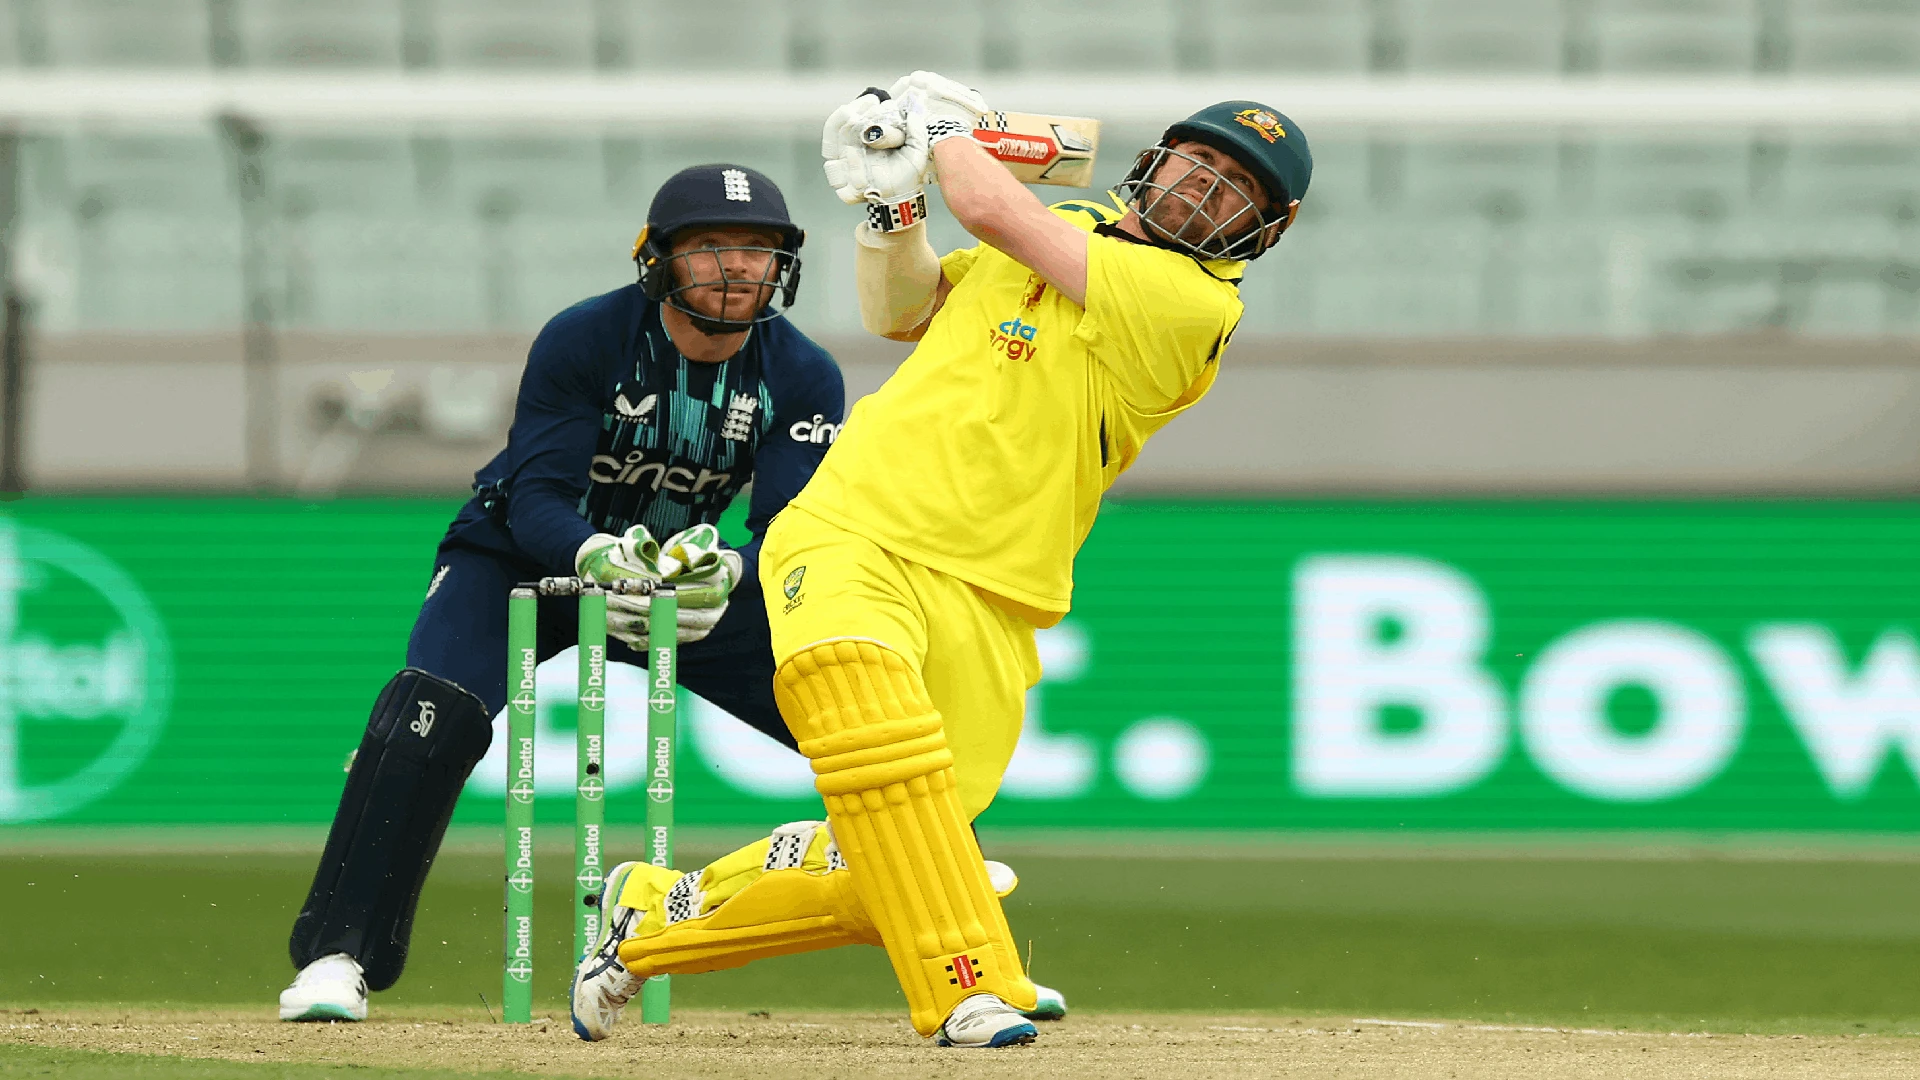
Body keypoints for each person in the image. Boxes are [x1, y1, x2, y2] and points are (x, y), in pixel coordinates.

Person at [566, 73, 1312, 1048]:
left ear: (1264, 227)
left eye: (1233, 188)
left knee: (895, 862)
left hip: (1000, 588)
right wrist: (889, 207)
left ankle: (656, 917)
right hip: (854, 527)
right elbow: (902, 309)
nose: (1202, 188)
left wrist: (943, 131)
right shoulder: (1074, 216)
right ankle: (966, 984)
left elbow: (994, 206)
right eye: (1197, 161)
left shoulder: (1193, 304)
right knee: (876, 746)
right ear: (1156, 158)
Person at [278, 163, 846, 1023]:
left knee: (860, 721)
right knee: (428, 717)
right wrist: (597, 558)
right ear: (656, 261)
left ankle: (961, 948)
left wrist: (725, 571)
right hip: (520, 559)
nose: (738, 268)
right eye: (711, 248)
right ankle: (335, 957)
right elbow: (539, 497)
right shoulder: (588, 338)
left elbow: (788, 526)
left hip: (674, 579)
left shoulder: (801, 374)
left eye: (760, 250)